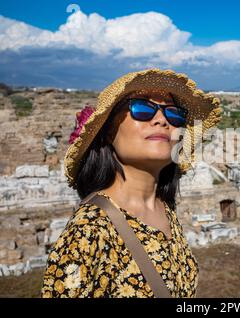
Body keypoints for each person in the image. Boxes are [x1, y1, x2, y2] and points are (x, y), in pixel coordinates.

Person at [41, 69, 222, 297]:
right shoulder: (89, 230)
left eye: (174, 113)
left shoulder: (165, 210)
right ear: (107, 132)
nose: (161, 120)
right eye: (142, 108)